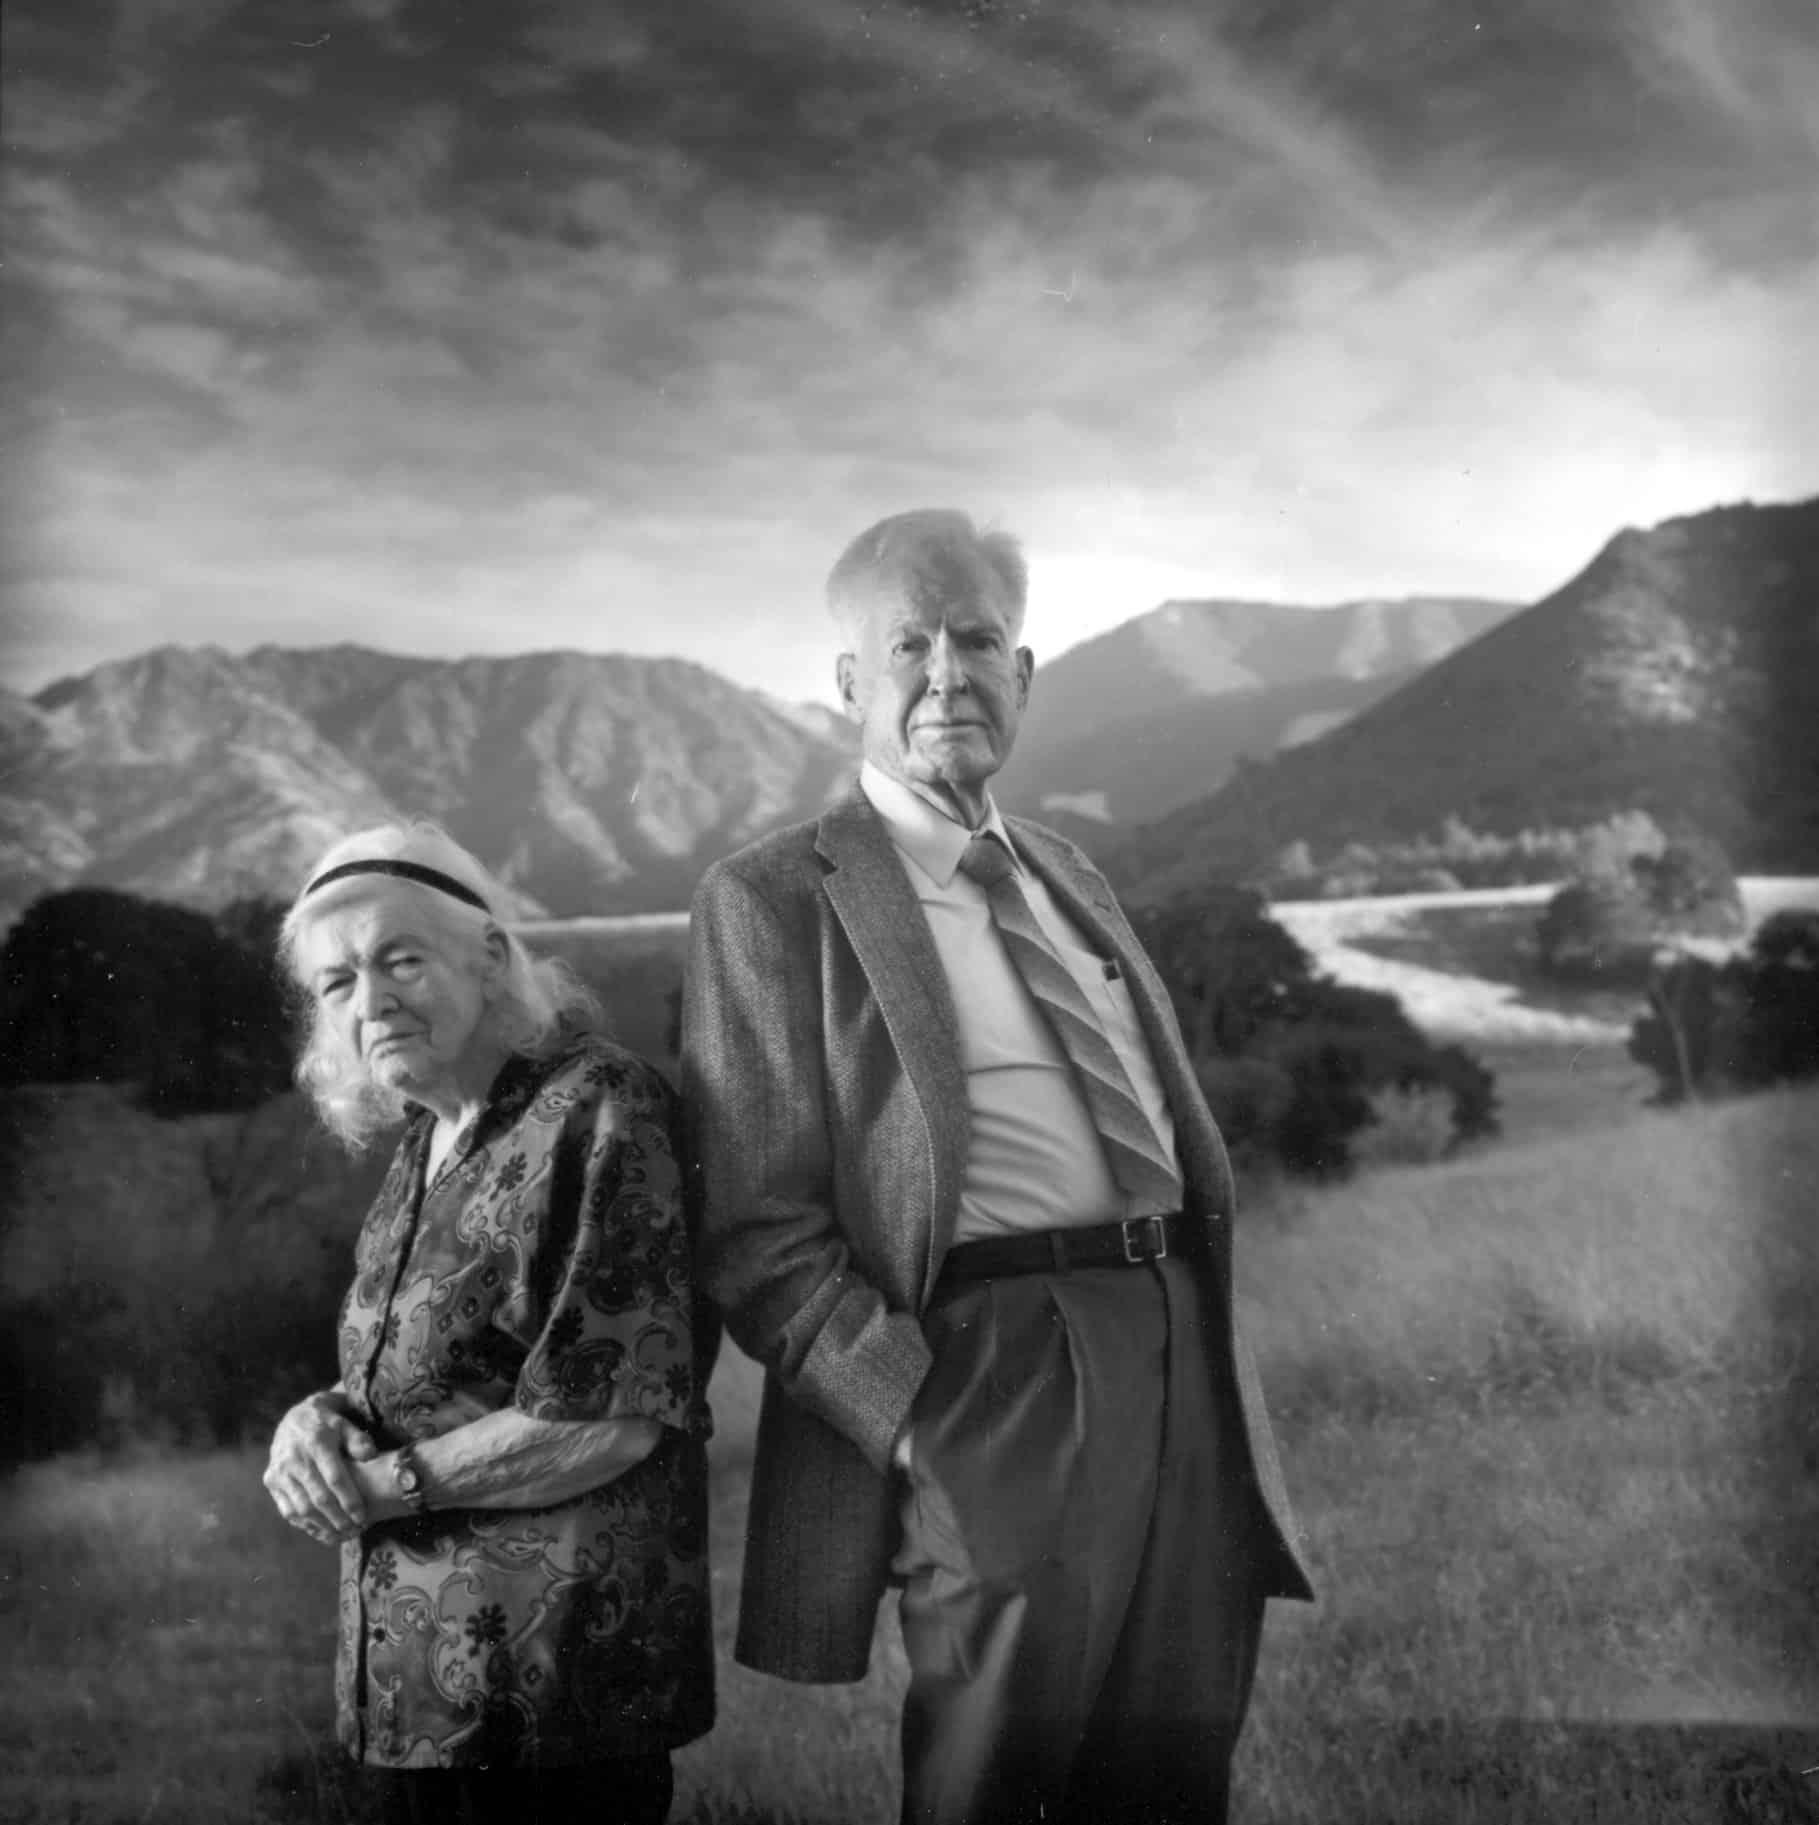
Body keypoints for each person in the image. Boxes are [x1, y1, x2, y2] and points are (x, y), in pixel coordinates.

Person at [682, 509, 1315, 1825]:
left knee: (1171, 1769)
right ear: (850, 684)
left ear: (1022, 675)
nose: (947, 671)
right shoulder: (770, 900)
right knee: (995, 1779)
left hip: (1179, 1342)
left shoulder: (1064, 868)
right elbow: (754, 1227)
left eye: (979, 637)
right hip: (988, 1367)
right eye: (905, 642)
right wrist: (914, 1420)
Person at [262, 822, 714, 1825]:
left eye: (400, 959)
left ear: (492, 957)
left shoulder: (597, 1106)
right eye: (337, 983)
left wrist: (378, 1490)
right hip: (409, 1702)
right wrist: (316, 1418)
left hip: (552, 1706)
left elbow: (611, 1414)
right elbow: (414, 1373)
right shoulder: (426, 1142)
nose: (369, 1001)